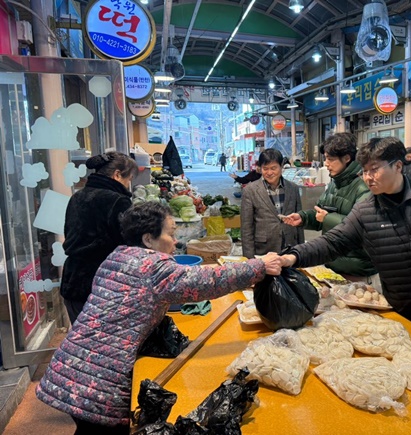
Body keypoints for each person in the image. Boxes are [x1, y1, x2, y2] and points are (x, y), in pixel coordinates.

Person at [37, 202, 282, 434]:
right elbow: (208, 281)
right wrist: (258, 266)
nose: (175, 241)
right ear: (148, 239)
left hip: (70, 365)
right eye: (170, 234)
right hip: (97, 383)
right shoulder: (153, 268)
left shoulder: (116, 257)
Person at [279, 137, 411, 358]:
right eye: (364, 171)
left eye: (374, 170)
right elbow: (332, 242)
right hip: (406, 312)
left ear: (397, 166)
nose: (368, 177)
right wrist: (292, 257)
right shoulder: (365, 211)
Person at [283, 133, 377, 282]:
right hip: (332, 265)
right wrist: (304, 218)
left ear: (347, 158)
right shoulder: (335, 183)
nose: (326, 164)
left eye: (330, 159)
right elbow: (321, 212)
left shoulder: (363, 187)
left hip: (357, 271)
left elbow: (362, 227)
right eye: (325, 158)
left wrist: (327, 218)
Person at [60, 152, 139, 324]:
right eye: (129, 179)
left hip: (73, 282)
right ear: (117, 175)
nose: (128, 184)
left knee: (81, 337)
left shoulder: (77, 196)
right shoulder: (118, 201)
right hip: (103, 286)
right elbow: (129, 245)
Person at [241, 149, 304, 258]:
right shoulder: (250, 191)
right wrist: (249, 260)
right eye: (265, 169)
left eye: (273, 168)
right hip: (263, 250)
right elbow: (246, 228)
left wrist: (301, 253)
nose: (269, 173)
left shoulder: (293, 188)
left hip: (290, 248)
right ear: (260, 168)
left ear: (281, 167)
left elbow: (299, 222)